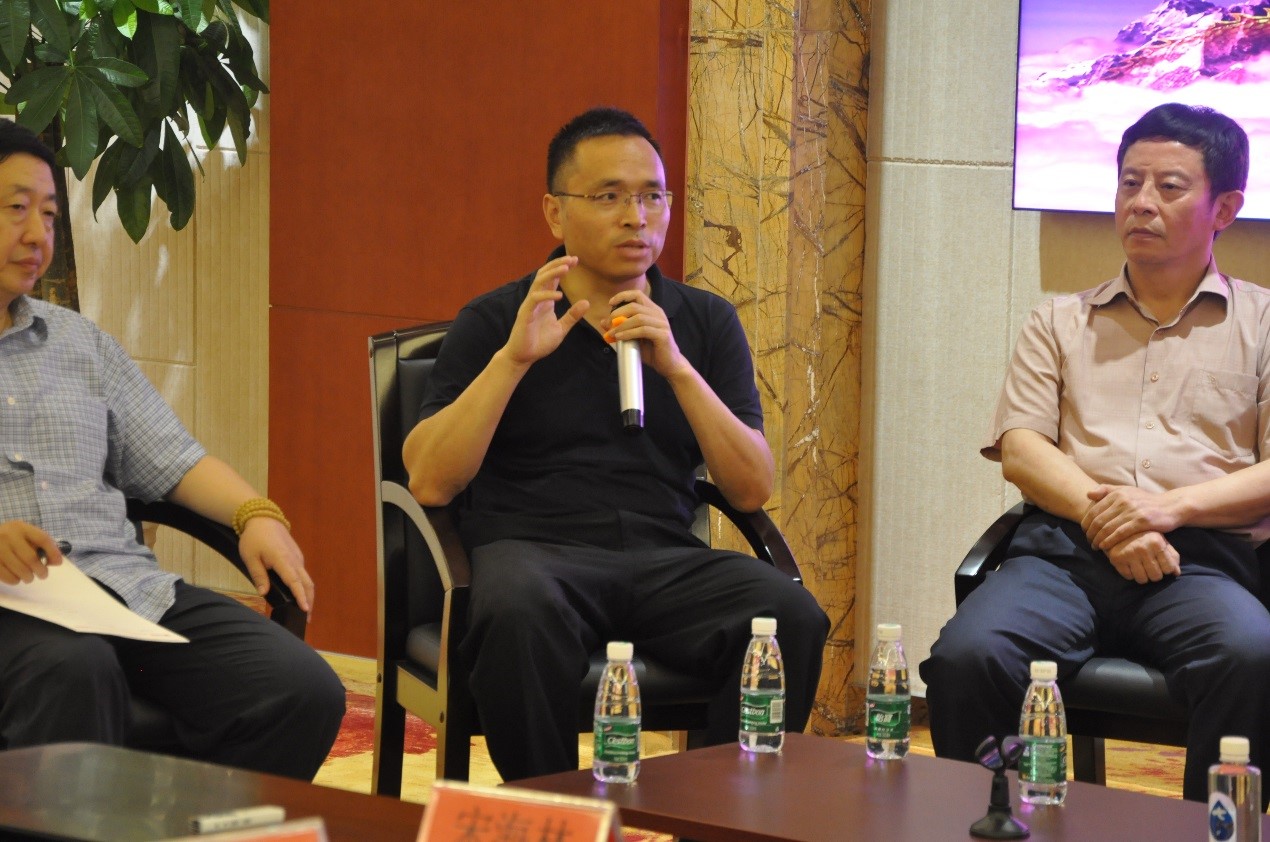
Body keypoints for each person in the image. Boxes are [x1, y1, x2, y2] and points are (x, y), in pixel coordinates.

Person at [402, 106, 829, 780]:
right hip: (536, 554)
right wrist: (513, 361)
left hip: (664, 558)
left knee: (789, 615)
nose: (636, 218)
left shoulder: (704, 321)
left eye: (652, 196)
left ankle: (715, 818)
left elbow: (750, 489)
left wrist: (677, 369)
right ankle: (553, 813)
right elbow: (429, 480)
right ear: (555, 212)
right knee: (516, 609)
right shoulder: (498, 319)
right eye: (609, 197)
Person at [920, 103, 1270, 804]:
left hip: (1201, 565)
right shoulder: (1058, 321)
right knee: (967, 655)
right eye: (1129, 182)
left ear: (1224, 207)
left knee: (1252, 656)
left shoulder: (1262, 324)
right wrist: (1113, 520)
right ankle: (999, 823)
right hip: (1063, 557)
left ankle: (1214, 829)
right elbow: (1022, 449)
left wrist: (1168, 510)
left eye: (1169, 186)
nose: (1141, 202)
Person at [0, 119, 345, 780]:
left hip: (118, 586)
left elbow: (174, 459)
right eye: (18, 209)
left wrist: (255, 515)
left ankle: (191, 824)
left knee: (299, 689)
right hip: (13, 606)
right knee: (75, 670)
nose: (39, 233)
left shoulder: (79, 343)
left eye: (49, 214)